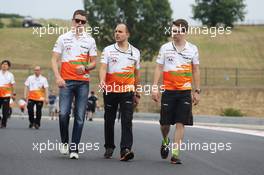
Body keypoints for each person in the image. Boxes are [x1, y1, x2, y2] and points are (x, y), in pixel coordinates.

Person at [152, 19, 201, 164]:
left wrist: (197, 90)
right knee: (165, 125)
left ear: (185, 32)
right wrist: (155, 87)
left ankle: (175, 153)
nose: (175, 34)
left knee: (181, 123)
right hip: (168, 91)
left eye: (178, 31)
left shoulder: (193, 49)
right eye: (173, 31)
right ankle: (165, 140)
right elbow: (159, 68)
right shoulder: (165, 48)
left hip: (185, 91)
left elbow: (196, 70)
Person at [51, 9, 97, 159]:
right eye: (77, 20)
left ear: (85, 24)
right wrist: (58, 77)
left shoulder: (90, 40)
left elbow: (94, 63)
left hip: (83, 82)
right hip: (65, 82)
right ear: (72, 21)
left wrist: (85, 67)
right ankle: (64, 142)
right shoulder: (63, 38)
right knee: (63, 114)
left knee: (79, 116)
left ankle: (74, 148)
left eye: (83, 22)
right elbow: (54, 59)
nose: (79, 24)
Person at [99, 23, 141, 161]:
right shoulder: (108, 50)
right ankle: (109, 146)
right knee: (109, 120)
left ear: (127, 34)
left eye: (120, 31)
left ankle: (125, 149)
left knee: (127, 120)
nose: (117, 33)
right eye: (115, 31)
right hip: (110, 90)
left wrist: (137, 92)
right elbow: (103, 68)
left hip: (127, 91)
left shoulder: (135, 52)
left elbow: (137, 74)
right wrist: (102, 80)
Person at [0, 60, 15, 128]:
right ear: (1, 65)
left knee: (5, 111)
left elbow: (12, 85)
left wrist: (13, 94)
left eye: (6, 64)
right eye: (3, 64)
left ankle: (3, 123)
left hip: (6, 95)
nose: (4, 65)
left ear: (8, 66)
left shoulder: (10, 75)